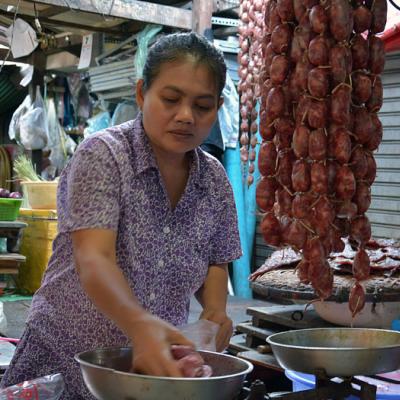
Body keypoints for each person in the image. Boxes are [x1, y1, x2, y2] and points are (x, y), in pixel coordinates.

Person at [1, 32, 242, 399]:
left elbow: (215, 260)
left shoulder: (214, 181)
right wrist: (141, 325)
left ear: (218, 107)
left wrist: (214, 314)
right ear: (142, 93)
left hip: (147, 369)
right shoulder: (104, 155)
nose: (185, 116)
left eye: (203, 106)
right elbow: (94, 259)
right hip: (63, 358)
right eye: (171, 99)